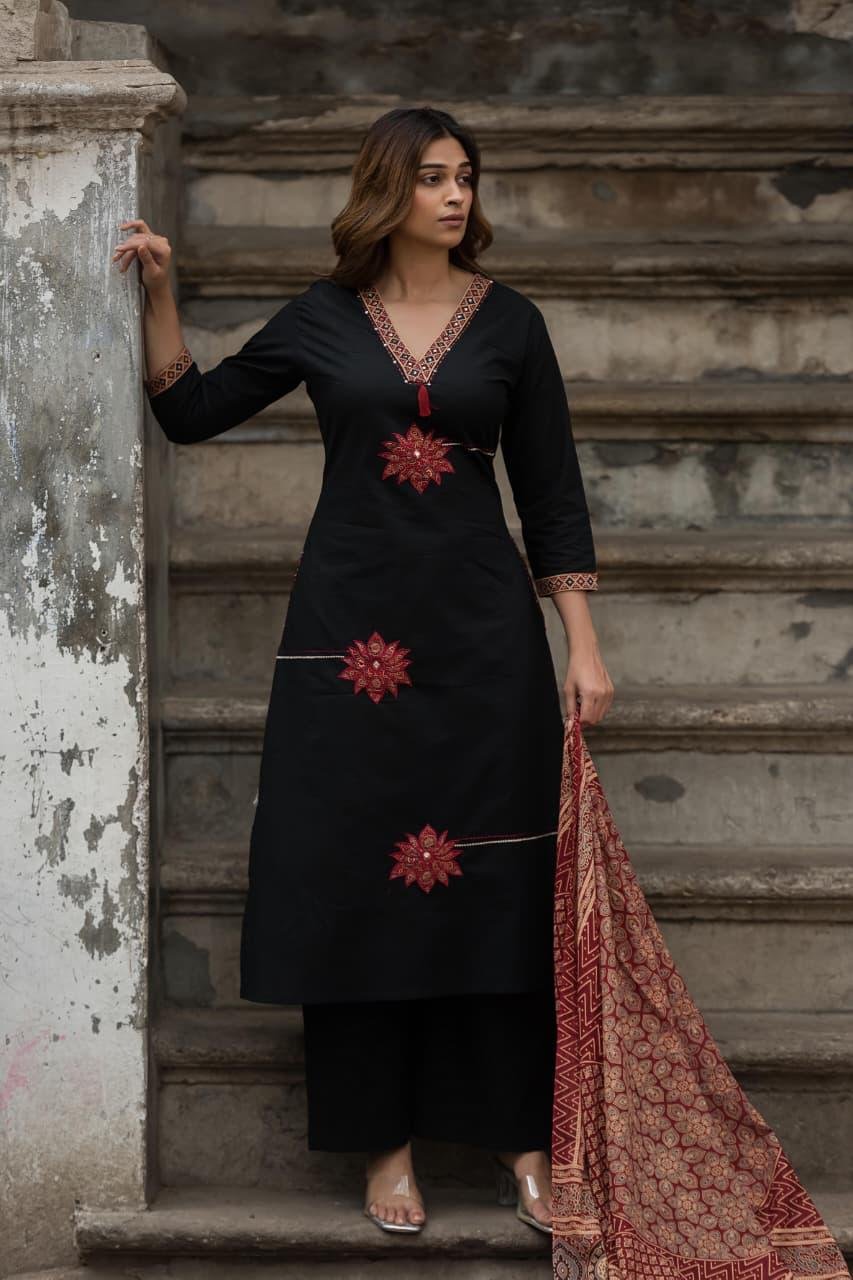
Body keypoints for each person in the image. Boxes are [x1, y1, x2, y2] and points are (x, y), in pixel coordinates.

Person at [116, 104, 613, 1236]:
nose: (456, 195)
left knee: (495, 882)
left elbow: (551, 492)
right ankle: (384, 1143)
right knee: (353, 877)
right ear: (387, 190)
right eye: (432, 177)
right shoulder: (323, 317)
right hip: (350, 647)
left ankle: (521, 1141)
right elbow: (192, 410)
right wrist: (160, 292)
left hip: (484, 644)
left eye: (465, 176)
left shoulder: (512, 322)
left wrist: (582, 643)